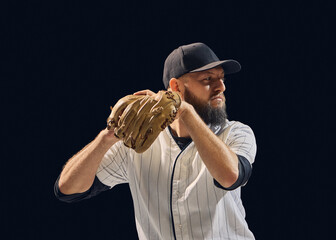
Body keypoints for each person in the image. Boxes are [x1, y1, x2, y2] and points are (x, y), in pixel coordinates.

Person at [54, 42, 257, 240]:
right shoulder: (136, 142)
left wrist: (185, 111)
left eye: (221, 78)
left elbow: (230, 177)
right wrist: (106, 139)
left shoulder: (236, 132)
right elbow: (67, 189)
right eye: (207, 79)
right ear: (175, 86)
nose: (220, 86)